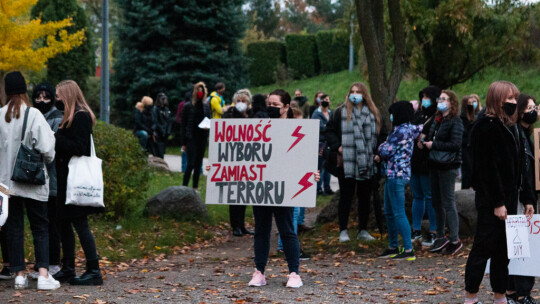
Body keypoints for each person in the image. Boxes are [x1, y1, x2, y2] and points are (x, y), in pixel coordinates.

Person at [464, 81, 536, 304]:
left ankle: (499, 296)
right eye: (509, 99)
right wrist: (497, 202)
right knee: (482, 248)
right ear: (497, 100)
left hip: (510, 198)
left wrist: (527, 199)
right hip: (491, 202)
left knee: (503, 253)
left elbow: (521, 167)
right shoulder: (485, 127)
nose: (514, 103)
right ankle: (471, 297)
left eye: (515, 99)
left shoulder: (512, 127)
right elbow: (486, 169)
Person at [248, 89, 318, 289]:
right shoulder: (258, 128)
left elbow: (304, 158)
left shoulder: (298, 130)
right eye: (269, 104)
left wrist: (311, 173)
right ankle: (259, 272)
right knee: (261, 230)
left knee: (287, 230)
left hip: (285, 188)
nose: (270, 108)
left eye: (275, 105)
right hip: (262, 186)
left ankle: (294, 273)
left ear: (287, 107)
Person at [0, 71, 60, 290]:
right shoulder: (33, 114)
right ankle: (43, 274)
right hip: (33, 181)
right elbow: (47, 148)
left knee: (13, 228)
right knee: (40, 227)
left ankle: (19, 274)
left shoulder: (0, 115)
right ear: (25, 90)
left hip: (7, 184)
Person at [52, 80, 104, 286]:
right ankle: (68, 267)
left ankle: (94, 270)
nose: (57, 100)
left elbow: (81, 147)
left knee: (81, 225)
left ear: (68, 95)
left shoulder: (80, 116)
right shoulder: (72, 116)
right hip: (67, 180)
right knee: (64, 223)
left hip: (75, 181)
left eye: (58, 96)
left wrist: (56, 139)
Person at [325, 82, 380, 242]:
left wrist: (377, 153)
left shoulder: (373, 113)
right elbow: (329, 131)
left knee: (364, 197)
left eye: (358, 91)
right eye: (352, 91)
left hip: (367, 161)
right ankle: (343, 230)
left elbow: (380, 134)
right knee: (346, 196)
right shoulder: (340, 113)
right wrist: (338, 147)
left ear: (364, 94)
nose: (354, 94)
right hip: (346, 162)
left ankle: (363, 229)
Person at [378, 101, 423, 261]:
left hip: (397, 175)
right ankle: (393, 246)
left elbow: (385, 149)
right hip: (393, 175)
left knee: (398, 212)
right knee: (389, 212)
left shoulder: (401, 132)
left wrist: (380, 149)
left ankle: (408, 249)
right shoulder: (408, 129)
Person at [28, 83, 64, 281]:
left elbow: (52, 148)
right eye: (38, 97)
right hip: (39, 178)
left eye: (46, 97)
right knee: (43, 222)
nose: (41, 100)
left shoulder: (56, 118)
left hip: (52, 178)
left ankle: (53, 263)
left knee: (52, 223)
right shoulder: (34, 116)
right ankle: (45, 263)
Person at [423, 90, 464, 255]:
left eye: (444, 99)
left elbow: (455, 145)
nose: (440, 101)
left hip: (448, 166)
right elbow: (432, 137)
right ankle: (440, 237)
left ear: (452, 103)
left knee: (448, 202)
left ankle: (455, 239)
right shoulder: (437, 120)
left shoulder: (456, 122)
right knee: (436, 202)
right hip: (435, 164)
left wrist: (434, 145)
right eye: (439, 98)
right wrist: (425, 142)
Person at [506, 93, 538, 304]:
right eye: (530, 108)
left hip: (527, 198)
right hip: (519, 199)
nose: (534, 111)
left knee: (526, 246)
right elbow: (522, 172)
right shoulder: (515, 134)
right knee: (519, 246)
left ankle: (519, 292)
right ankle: (515, 292)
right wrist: (527, 199)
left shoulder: (527, 135)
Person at [222, 89, 255, 237]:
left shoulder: (253, 115)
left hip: (248, 158)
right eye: (238, 101)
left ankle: (242, 225)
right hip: (233, 158)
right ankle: (235, 225)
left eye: (244, 101)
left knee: (245, 193)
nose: (241, 104)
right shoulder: (229, 114)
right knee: (234, 193)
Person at [410, 86, 440, 247]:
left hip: (428, 161)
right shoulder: (418, 114)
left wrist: (426, 140)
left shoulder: (437, 117)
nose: (424, 99)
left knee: (430, 197)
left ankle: (433, 231)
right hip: (415, 160)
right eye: (423, 96)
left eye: (428, 97)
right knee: (417, 196)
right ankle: (416, 229)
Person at [181, 82, 211, 191]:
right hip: (191, 137)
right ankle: (184, 186)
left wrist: (208, 128)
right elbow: (183, 125)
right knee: (191, 163)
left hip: (202, 138)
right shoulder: (188, 106)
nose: (200, 92)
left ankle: (195, 187)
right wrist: (183, 143)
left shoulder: (206, 106)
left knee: (199, 164)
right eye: (198, 90)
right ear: (194, 91)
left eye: (202, 90)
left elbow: (209, 120)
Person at [311, 94, 333, 195]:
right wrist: (327, 127)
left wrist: (326, 127)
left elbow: (332, 126)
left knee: (328, 166)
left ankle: (327, 188)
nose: (326, 101)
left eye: (327, 99)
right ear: (320, 101)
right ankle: (318, 188)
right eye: (324, 99)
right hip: (320, 143)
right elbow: (319, 128)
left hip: (329, 143)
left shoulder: (331, 113)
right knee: (320, 167)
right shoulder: (316, 113)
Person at [460, 94, 481, 190]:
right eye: (469, 103)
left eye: (473, 102)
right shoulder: (461, 117)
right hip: (465, 147)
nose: (471, 104)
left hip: (473, 146)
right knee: (467, 170)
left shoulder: (475, 116)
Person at [151, 92, 172, 158]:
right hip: (158, 132)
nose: (164, 100)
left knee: (162, 150)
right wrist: (161, 129)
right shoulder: (155, 109)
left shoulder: (167, 109)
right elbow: (155, 121)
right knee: (159, 151)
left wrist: (168, 131)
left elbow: (169, 121)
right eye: (162, 99)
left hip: (165, 133)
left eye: (165, 98)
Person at [177, 91, 191, 172]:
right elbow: (179, 116)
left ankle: (185, 168)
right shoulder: (183, 105)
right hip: (184, 127)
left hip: (188, 128)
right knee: (184, 148)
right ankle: (184, 168)